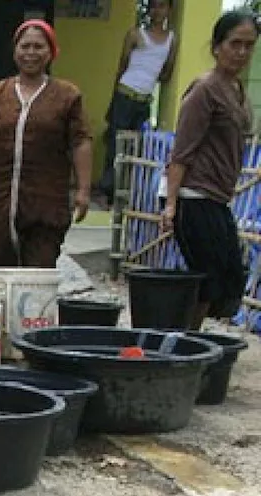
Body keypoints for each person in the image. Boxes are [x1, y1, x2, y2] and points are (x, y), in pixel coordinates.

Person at [0, 20, 92, 273]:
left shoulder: (67, 96)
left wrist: (83, 189)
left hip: (46, 204)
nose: (31, 53)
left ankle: (35, 315)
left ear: (51, 52)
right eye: (25, 46)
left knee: (38, 274)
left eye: (39, 47)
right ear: (15, 51)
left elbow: (80, 142)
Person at [161, 11, 258, 330]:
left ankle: (189, 339)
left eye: (249, 46)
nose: (241, 52)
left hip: (218, 197)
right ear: (217, 46)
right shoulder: (205, 89)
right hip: (194, 194)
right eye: (235, 44)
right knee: (208, 276)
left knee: (228, 276)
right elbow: (182, 149)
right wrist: (172, 204)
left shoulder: (237, 91)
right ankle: (181, 342)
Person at [98, 0, 177, 207]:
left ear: (169, 10)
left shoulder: (171, 40)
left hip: (144, 100)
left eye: (162, 6)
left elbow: (167, 72)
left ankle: (129, 194)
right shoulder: (135, 34)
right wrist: (114, 99)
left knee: (139, 148)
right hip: (125, 94)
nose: (157, 10)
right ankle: (109, 193)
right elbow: (122, 66)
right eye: (153, 6)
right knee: (116, 144)